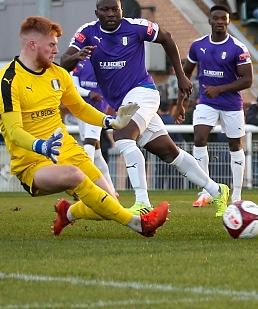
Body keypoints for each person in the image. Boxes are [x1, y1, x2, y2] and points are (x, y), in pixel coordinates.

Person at [61, 0, 231, 216]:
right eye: (106, 10)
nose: (111, 14)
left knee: (122, 137)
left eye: (116, 9)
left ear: (122, 11)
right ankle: (217, 189)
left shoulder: (136, 27)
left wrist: (181, 76)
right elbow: (64, 61)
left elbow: (167, 38)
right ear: (97, 13)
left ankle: (142, 202)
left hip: (143, 93)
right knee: (170, 153)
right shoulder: (87, 32)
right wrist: (78, 56)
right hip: (124, 102)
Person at [2, 16, 168, 237]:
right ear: (32, 44)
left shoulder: (58, 73)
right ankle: (139, 224)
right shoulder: (9, 80)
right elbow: (14, 132)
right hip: (33, 163)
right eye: (51, 45)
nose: (56, 51)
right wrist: (41, 146)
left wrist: (110, 121)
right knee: (75, 176)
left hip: (69, 152)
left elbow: (80, 108)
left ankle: (68, 213)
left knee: (108, 204)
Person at [181, 5, 253, 206]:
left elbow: (247, 80)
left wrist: (220, 89)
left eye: (224, 18)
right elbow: (185, 72)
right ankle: (207, 190)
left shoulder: (238, 48)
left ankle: (236, 194)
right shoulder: (198, 45)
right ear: (210, 21)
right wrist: (181, 103)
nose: (220, 22)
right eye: (216, 18)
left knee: (234, 145)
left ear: (228, 22)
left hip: (231, 103)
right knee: (199, 137)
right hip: (207, 101)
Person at [70, 57, 116, 194]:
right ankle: (112, 191)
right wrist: (89, 93)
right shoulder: (79, 62)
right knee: (97, 154)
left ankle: (83, 186)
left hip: (97, 108)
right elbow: (73, 87)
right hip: (81, 109)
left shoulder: (106, 60)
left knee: (89, 144)